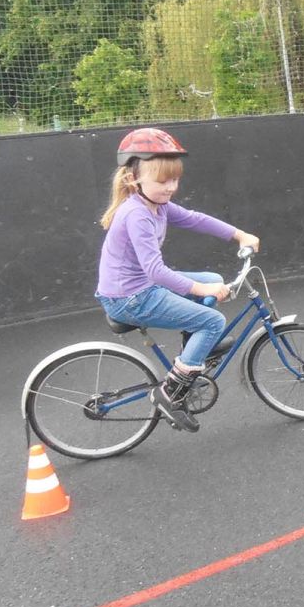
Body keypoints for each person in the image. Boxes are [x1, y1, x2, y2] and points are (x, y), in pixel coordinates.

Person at [95, 127, 260, 432]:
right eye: (163, 181)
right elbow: (156, 271)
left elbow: (195, 219)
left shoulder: (156, 205)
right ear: (133, 178)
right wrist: (200, 288)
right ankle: (171, 392)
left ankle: (193, 351)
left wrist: (239, 235)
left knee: (213, 277)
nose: (171, 187)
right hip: (129, 298)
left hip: (138, 287)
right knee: (213, 321)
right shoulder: (137, 215)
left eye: (175, 179)